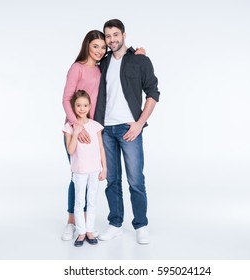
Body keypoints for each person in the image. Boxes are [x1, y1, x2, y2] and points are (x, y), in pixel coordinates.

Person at [61, 30, 146, 241]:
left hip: (93, 128)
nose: (99, 51)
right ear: (87, 46)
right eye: (95, 46)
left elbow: (121, 55)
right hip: (75, 129)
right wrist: (76, 127)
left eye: (102, 47)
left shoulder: (102, 67)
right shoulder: (77, 68)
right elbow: (66, 100)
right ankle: (72, 222)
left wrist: (137, 52)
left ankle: (86, 225)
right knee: (77, 175)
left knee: (91, 175)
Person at [94, 19, 160, 244]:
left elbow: (153, 93)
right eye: (107, 36)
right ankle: (115, 223)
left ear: (123, 34)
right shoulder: (102, 64)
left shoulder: (140, 60)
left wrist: (139, 123)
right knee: (112, 180)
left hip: (130, 129)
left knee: (135, 181)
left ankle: (141, 225)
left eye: (115, 34)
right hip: (106, 130)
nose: (111, 39)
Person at [63, 90, 107, 247]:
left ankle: (90, 230)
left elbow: (101, 148)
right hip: (79, 170)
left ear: (90, 107)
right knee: (79, 200)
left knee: (92, 200)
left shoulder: (95, 126)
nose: (82, 108)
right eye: (78, 105)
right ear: (74, 107)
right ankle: (81, 232)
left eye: (85, 105)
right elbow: (70, 150)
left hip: (94, 170)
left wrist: (104, 168)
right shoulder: (69, 127)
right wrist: (75, 132)